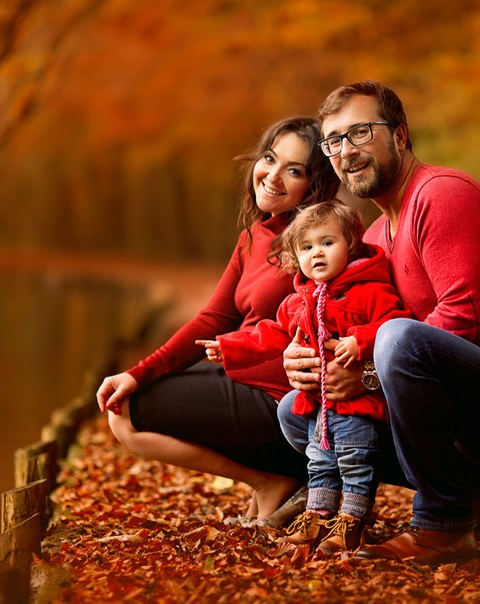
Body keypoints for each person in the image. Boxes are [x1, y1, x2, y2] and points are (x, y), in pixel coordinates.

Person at [280, 80, 480, 564]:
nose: (345, 151)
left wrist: (369, 375)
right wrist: (316, 364)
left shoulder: (442, 195)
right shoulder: (375, 233)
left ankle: (444, 525)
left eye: (360, 132)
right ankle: (477, 490)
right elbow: (370, 322)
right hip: (467, 414)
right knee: (301, 414)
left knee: (399, 340)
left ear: (400, 136)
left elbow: (469, 318)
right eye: (334, 140)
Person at [96, 116, 340, 525]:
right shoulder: (253, 237)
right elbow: (215, 317)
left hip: (282, 401)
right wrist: (138, 373)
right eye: (269, 159)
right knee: (125, 404)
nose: (273, 176)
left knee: (127, 414)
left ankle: (272, 481)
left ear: (314, 185)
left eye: (294, 170)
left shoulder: (317, 243)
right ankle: (269, 479)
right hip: (238, 379)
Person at [198, 201, 411, 557]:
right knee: (320, 461)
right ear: (296, 256)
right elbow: (272, 334)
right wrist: (229, 346)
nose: (318, 254)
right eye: (307, 247)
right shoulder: (299, 302)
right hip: (320, 408)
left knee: (356, 463)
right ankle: (318, 516)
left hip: (358, 406)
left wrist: (361, 341)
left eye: (328, 243)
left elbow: (396, 325)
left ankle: (352, 523)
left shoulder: (370, 290)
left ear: (351, 245)